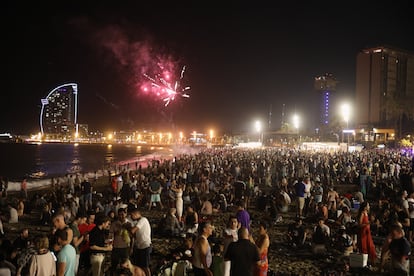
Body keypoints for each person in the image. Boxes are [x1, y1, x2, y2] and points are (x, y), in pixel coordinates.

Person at [109, 208, 132, 275]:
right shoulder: (114, 224)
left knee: (124, 266)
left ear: (126, 214)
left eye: (123, 214)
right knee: (114, 265)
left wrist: (131, 247)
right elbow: (110, 235)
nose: (121, 216)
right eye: (119, 215)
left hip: (125, 247)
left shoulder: (129, 223)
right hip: (116, 247)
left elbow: (132, 236)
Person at [130, 208, 152, 276]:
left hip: (145, 245)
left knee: (145, 266)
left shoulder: (143, 220)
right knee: (139, 265)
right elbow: (135, 235)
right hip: (140, 246)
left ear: (136, 214)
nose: (131, 217)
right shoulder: (138, 222)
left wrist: (127, 227)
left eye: (132, 215)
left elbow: (132, 231)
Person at [357, 201, 377, 266]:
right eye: (368, 205)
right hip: (363, 233)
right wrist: (368, 223)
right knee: (364, 247)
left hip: (367, 233)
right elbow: (359, 225)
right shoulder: (362, 213)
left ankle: (371, 261)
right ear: (365, 207)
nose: (369, 207)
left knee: (371, 247)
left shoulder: (366, 213)